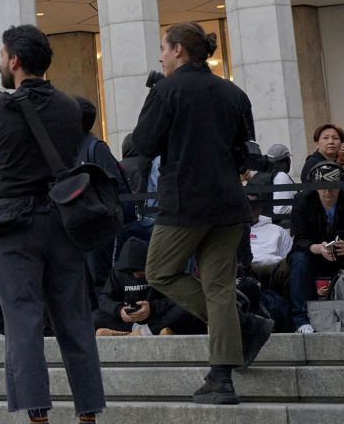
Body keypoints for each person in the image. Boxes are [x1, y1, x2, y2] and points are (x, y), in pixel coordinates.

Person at [0, 25, 105, 424]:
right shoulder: (69, 107)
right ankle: (88, 414)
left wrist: (3, 164)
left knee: (24, 322)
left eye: (1, 55)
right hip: (62, 223)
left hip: (13, 227)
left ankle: (37, 417)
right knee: (74, 320)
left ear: (15, 61)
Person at [128, 23, 273, 405]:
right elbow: (247, 153)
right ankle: (221, 377)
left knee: (159, 270)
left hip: (183, 203)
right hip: (228, 203)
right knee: (219, 288)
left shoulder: (166, 90)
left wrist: (153, 96)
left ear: (177, 50)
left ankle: (240, 325)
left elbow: (142, 144)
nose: (159, 56)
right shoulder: (233, 92)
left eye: (162, 48)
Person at [288, 162, 344, 334]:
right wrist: (317, 248)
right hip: (315, 254)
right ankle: (301, 318)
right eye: (322, 187)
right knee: (299, 260)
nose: (327, 192)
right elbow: (299, 239)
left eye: (332, 187)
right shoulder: (302, 201)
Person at [75, 98, 135, 292]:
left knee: (101, 282)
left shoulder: (95, 147)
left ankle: (104, 321)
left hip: (99, 230)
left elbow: (114, 185)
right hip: (82, 230)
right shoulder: (75, 148)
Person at [93, 237, 203, 337]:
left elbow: (179, 297)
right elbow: (104, 297)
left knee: (187, 309)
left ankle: (145, 332)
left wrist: (152, 308)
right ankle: (137, 332)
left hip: (157, 316)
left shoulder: (161, 267)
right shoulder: (117, 270)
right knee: (95, 317)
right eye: (132, 273)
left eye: (140, 273)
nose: (136, 276)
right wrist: (119, 310)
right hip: (132, 320)